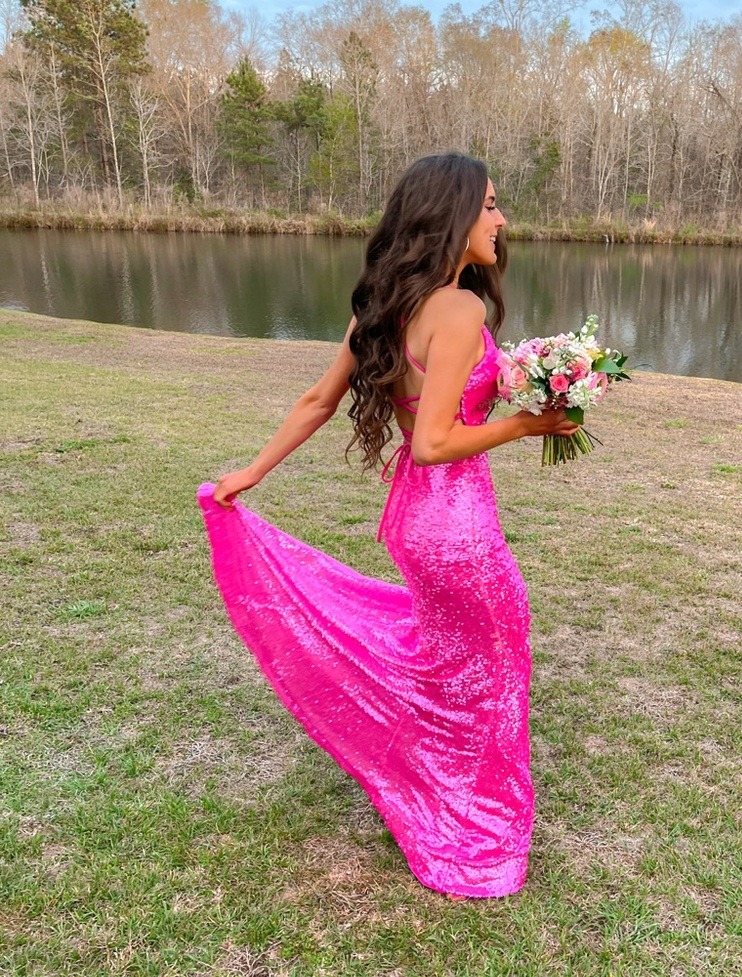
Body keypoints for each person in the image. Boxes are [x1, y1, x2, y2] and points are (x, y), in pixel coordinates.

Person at [197, 152, 578, 898]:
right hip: (455, 524)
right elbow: (436, 443)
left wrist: (252, 471)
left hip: (412, 521)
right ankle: (476, 825)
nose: (502, 222)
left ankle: (440, 784)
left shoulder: (386, 303)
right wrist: (524, 427)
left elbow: (317, 400)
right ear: (456, 214)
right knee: (495, 663)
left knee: (450, 660)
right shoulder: (461, 310)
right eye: (492, 206)